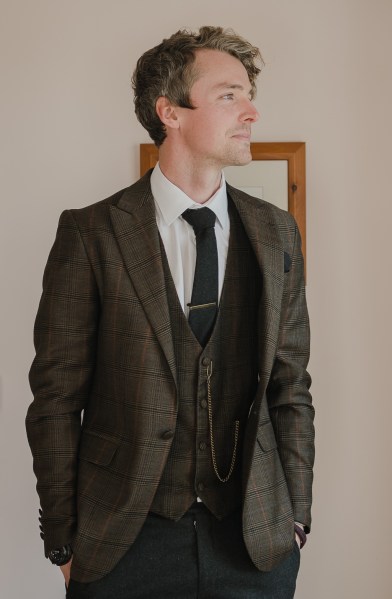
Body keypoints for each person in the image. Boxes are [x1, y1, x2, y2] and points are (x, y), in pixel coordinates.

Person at [26, 25, 315, 599]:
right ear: (170, 112)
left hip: (254, 544)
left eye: (249, 93)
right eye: (229, 95)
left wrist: (297, 517)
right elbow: (56, 399)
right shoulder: (91, 234)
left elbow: (291, 386)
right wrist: (62, 539)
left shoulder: (276, 231)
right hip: (123, 547)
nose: (251, 111)